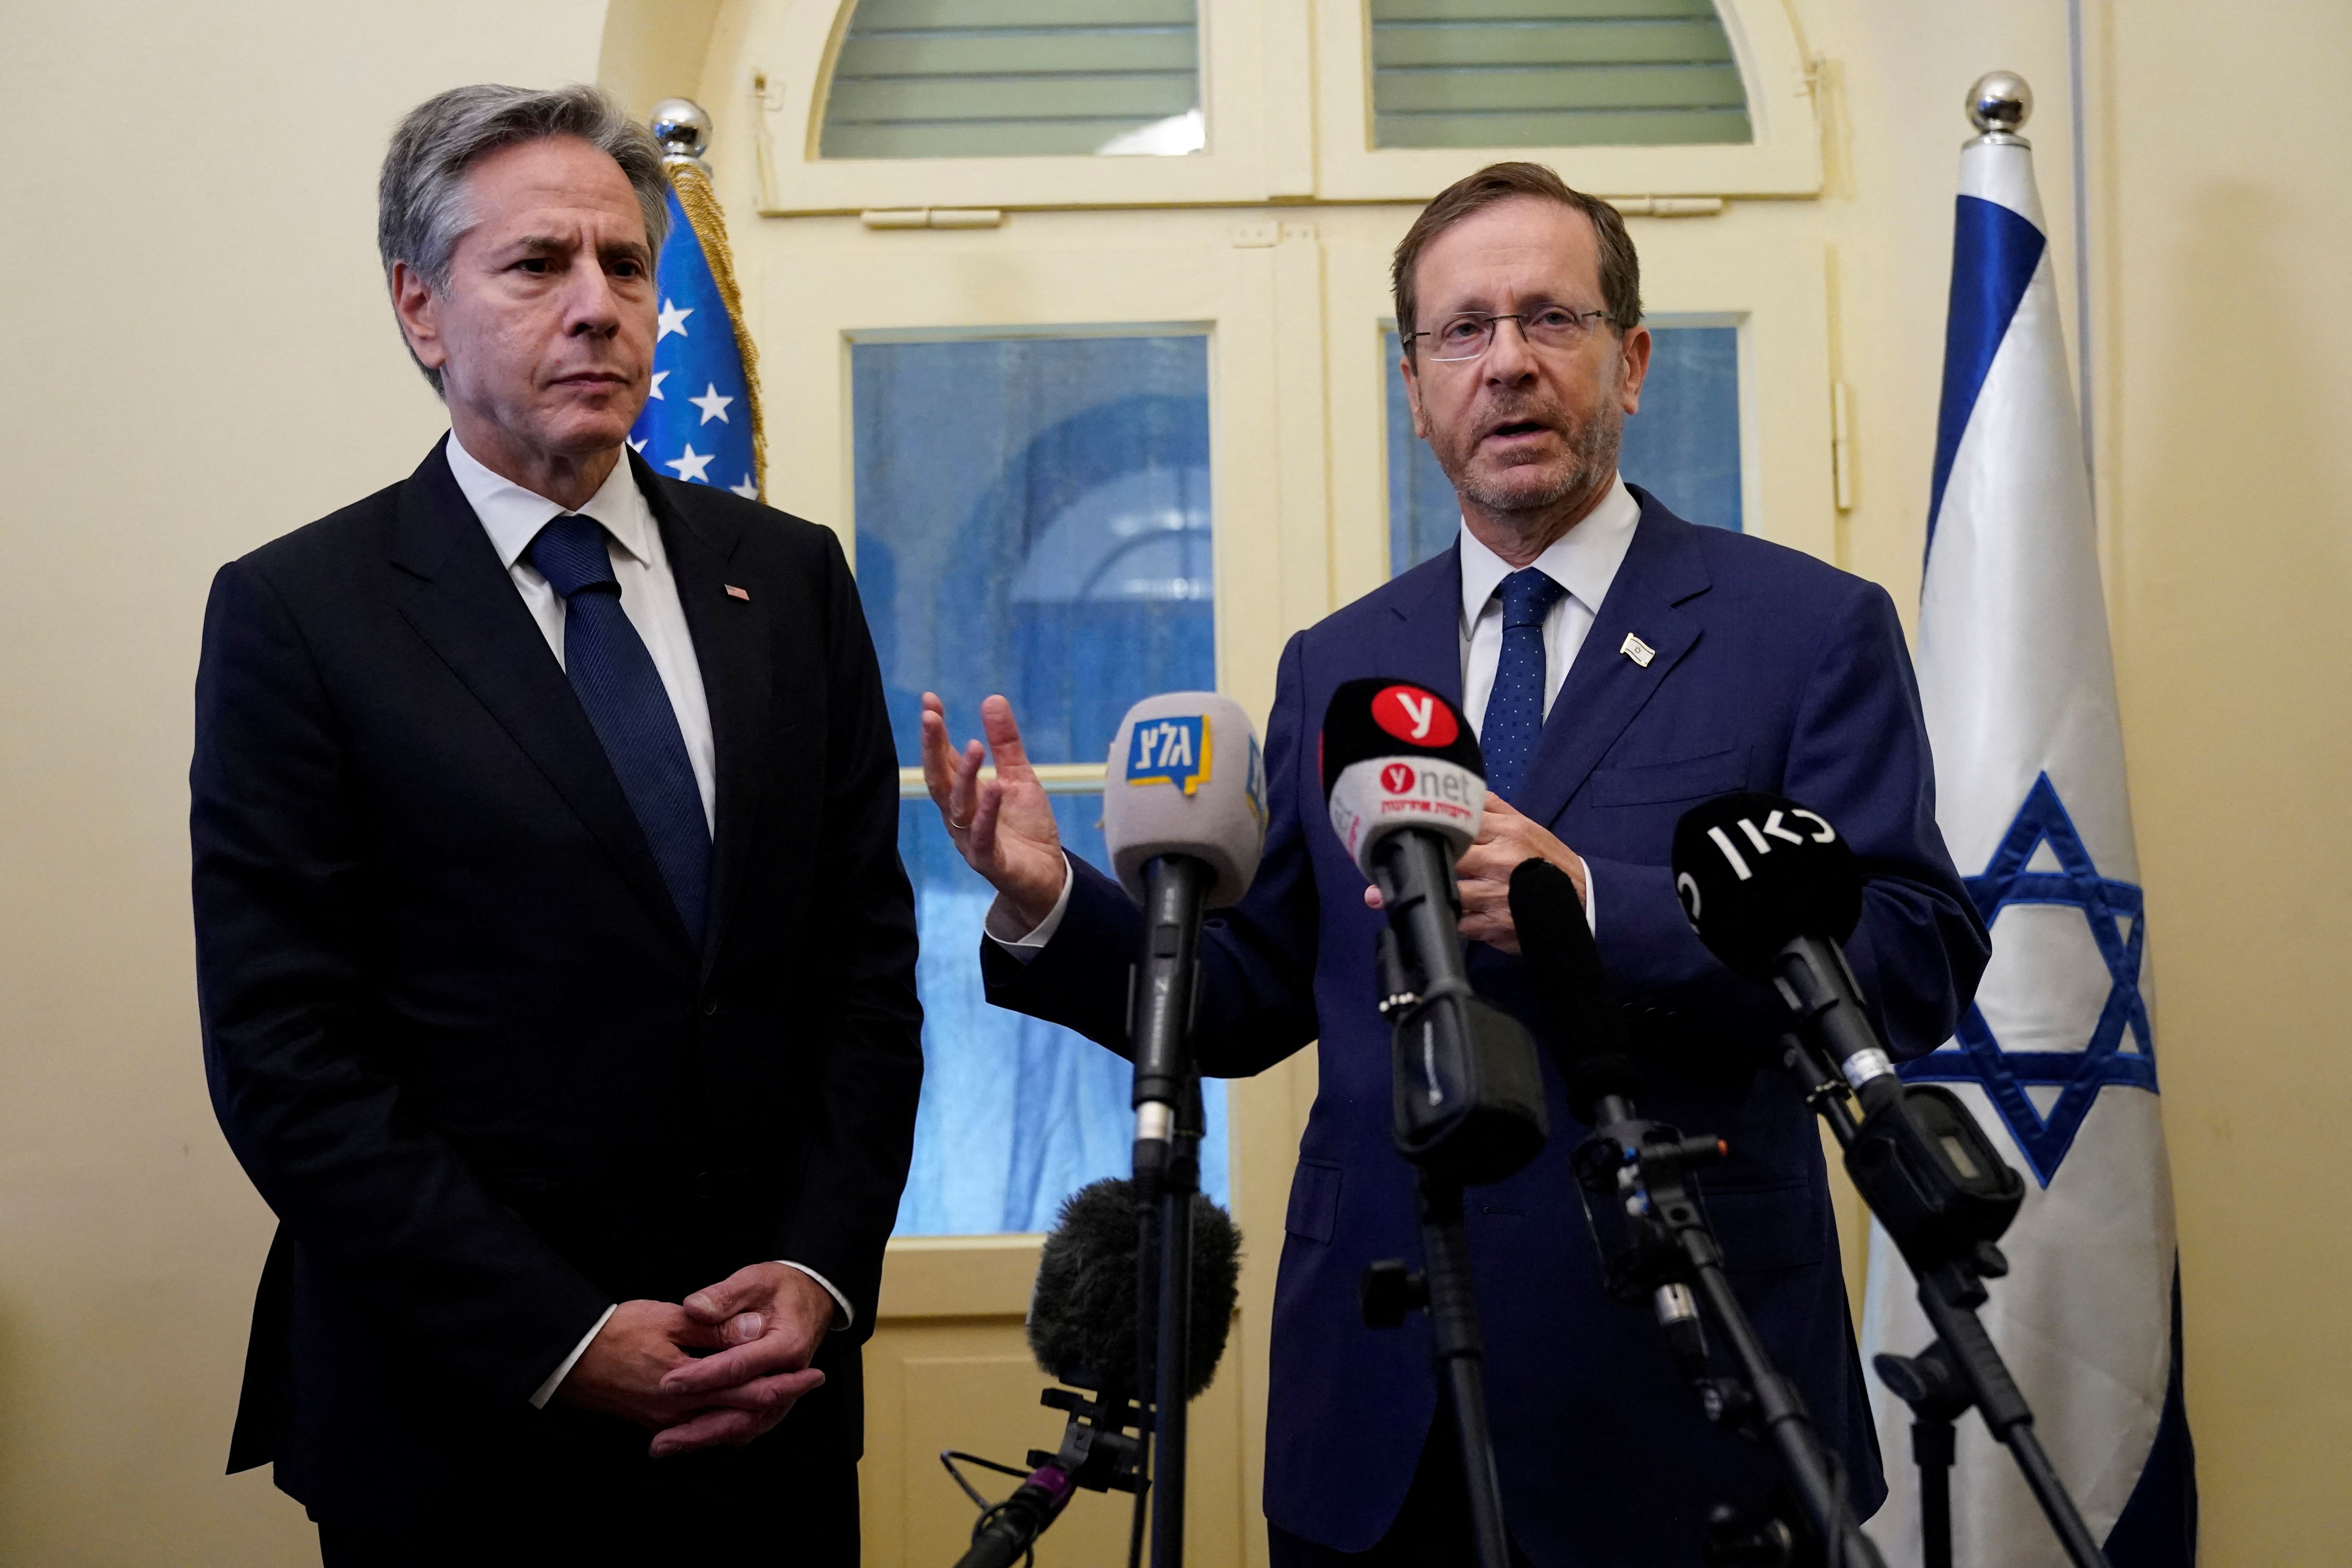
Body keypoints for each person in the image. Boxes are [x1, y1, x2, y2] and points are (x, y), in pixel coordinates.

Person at [920, 163, 1989, 1565]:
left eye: (1552, 320)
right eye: (1463, 331)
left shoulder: (1804, 629)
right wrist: (1055, 902)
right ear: (1414, 382)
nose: (1509, 366)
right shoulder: (1344, 659)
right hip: (1379, 1408)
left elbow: (1911, 959)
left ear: (1632, 362)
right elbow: (1250, 996)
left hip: (1683, 1398)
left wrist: (1592, 908)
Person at [191, 84, 921, 1564]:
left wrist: (817, 1268)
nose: (599, 306)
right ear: (421, 306)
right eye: (538, 267)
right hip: (463, 1423)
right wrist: (564, 1335)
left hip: (761, 1411)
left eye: (628, 266)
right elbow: (288, 1056)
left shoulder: (788, 580)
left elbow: (861, 977)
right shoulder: (299, 615)